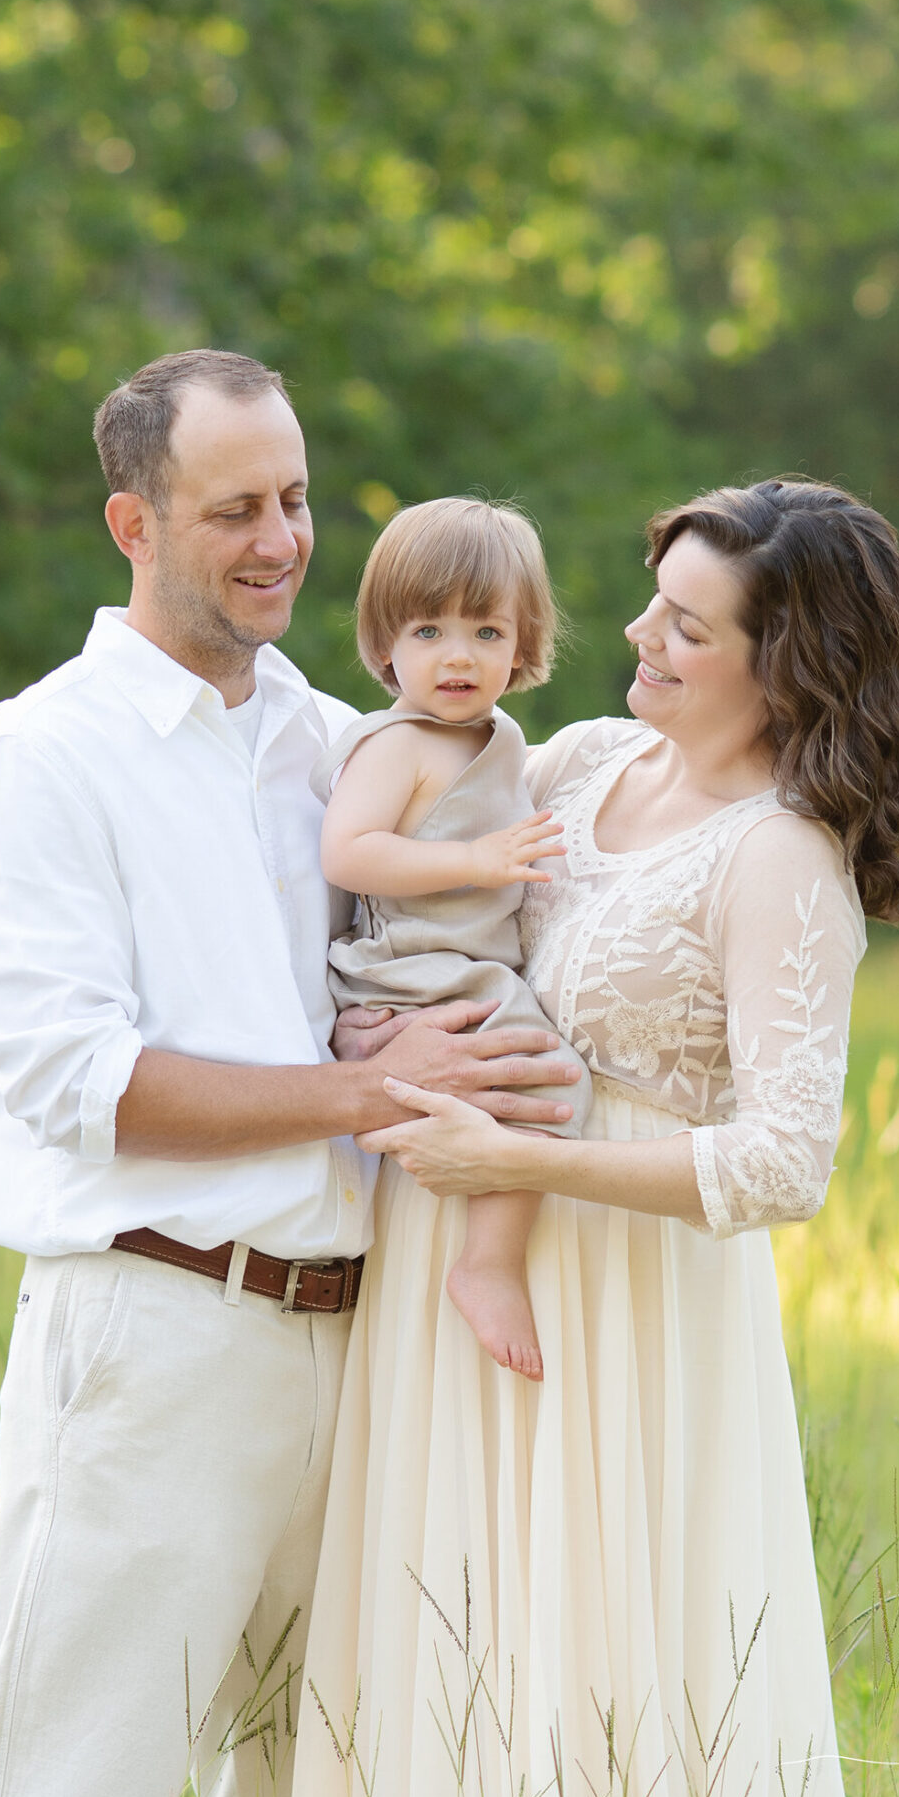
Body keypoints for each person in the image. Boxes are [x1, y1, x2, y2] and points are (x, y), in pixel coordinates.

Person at [146, 479, 899, 1797]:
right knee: (429, 1670)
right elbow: (409, 897)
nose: (636, 646)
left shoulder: (780, 858)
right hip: (453, 1262)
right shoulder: (580, 760)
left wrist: (531, 1167)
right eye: (646, 609)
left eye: (687, 630)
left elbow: (778, 1165)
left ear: (789, 666)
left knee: (588, 1688)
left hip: (620, 1314)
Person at [0, 348, 582, 1797]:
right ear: (134, 524)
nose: (282, 539)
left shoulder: (331, 739)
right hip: (158, 1331)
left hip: (361, 1334)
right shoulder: (40, 762)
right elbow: (76, 1080)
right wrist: (379, 1089)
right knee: (74, 1793)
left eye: (294, 499)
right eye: (234, 510)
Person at [315, 496, 591, 1382]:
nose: (458, 655)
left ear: (524, 645)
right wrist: (473, 857)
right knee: (548, 1077)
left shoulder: (498, 736)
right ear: (384, 645)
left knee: (527, 1072)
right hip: (413, 968)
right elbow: (350, 853)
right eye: (427, 630)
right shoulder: (399, 744)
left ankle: (486, 1239)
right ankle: (488, 1262)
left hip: (461, 965)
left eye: (485, 630)